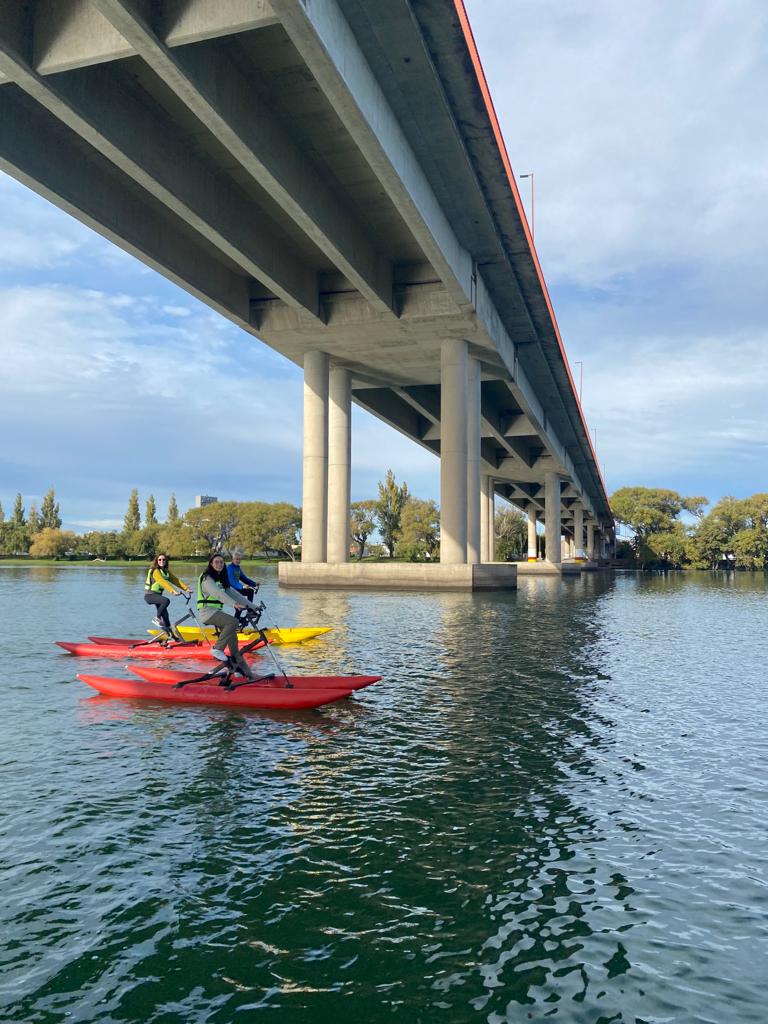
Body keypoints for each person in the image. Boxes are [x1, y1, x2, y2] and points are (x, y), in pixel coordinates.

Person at [197, 553, 263, 678]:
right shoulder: (206, 578)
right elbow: (217, 594)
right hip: (207, 612)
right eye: (216, 562)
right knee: (233, 622)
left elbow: (233, 593)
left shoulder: (221, 578)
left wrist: (253, 606)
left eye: (222, 562)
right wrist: (234, 604)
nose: (219, 564)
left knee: (234, 647)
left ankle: (243, 673)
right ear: (211, 564)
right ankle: (217, 649)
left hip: (216, 612)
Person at [144, 554, 190, 636]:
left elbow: (176, 580)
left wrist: (186, 589)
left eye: (163, 559)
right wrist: (173, 591)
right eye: (159, 560)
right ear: (157, 561)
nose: (162, 561)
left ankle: (172, 637)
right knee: (166, 601)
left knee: (166, 616)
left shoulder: (166, 572)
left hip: (158, 596)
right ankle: (157, 618)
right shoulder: (155, 571)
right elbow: (162, 582)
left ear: (166, 561)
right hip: (150, 595)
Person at [227, 548, 260, 625]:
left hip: (237, 589)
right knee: (239, 608)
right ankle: (234, 625)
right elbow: (232, 581)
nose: (238, 561)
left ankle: (249, 611)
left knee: (250, 591)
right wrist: (242, 587)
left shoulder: (238, 568)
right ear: (232, 559)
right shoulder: (229, 568)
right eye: (236, 559)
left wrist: (254, 584)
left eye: (239, 559)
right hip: (231, 590)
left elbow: (244, 579)